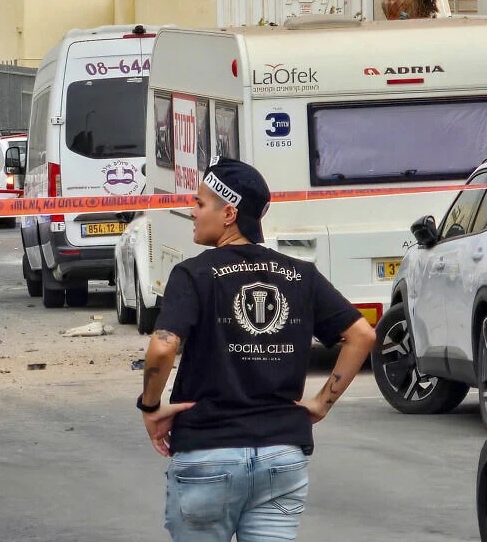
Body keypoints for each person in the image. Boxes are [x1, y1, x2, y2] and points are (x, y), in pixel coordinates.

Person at [138, 158, 376, 541]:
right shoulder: (301, 275)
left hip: (209, 453)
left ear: (229, 212)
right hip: (282, 455)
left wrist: (150, 407)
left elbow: (163, 347)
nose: (191, 212)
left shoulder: (192, 274)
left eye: (200, 204)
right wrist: (321, 403)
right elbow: (362, 335)